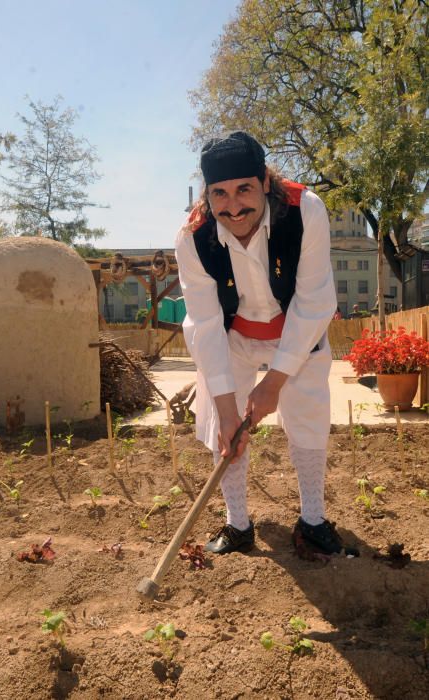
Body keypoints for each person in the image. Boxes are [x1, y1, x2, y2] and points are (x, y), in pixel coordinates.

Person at [175, 131, 344, 558]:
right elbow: (206, 324)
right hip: (234, 335)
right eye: (220, 194)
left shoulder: (305, 211)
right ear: (208, 195)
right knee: (222, 425)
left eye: (244, 189)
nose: (234, 207)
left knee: (307, 415)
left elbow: (313, 301)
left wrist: (273, 386)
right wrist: (228, 409)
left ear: (265, 183)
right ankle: (238, 525)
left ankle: (312, 521)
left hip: (296, 331)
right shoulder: (193, 238)